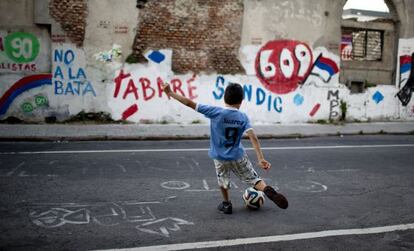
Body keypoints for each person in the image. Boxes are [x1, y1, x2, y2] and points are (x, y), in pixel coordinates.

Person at [161, 82, 288, 214]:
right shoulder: (243, 117)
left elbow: (189, 103)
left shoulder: (215, 112)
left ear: (224, 98)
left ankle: (227, 204)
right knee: (252, 178)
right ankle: (267, 190)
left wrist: (170, 93)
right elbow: (253, 137)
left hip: (220, 157)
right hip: (238, 156)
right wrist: (261, 158)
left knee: (223, 180)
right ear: (241, 101)